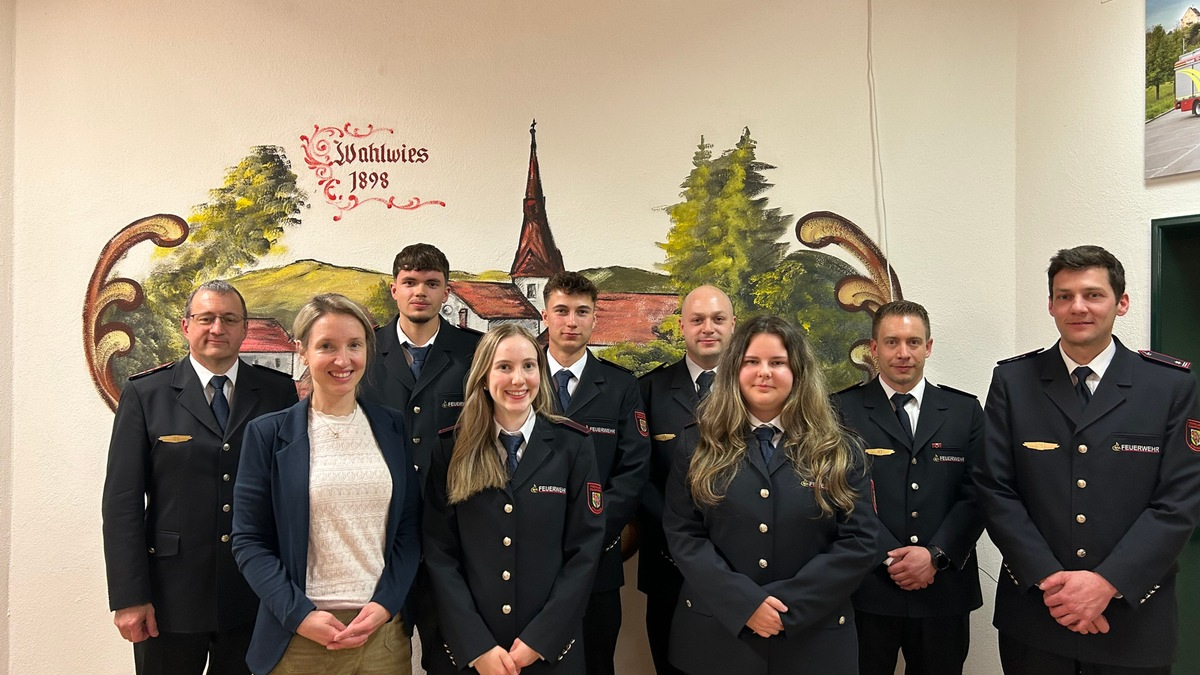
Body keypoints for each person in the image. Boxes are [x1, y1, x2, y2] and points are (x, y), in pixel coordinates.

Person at [975, 245, 1200, 675]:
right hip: (1037, 613)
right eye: (1065, 296)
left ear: (1122, 302)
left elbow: (1178, 502)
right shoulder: (1013, 381)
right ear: (1051, 305)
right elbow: (994, 488)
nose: (1078, 307)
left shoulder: (1168, 386)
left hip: (1134, 617)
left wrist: (1107, 583)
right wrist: (1050, 581)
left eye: (1093, 295)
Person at [664, 315, 881, 675]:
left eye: (777, 363)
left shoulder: (839, 448)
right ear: (734, 370)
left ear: (798, 372)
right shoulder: (696, 444)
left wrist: (789, 606)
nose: (764, 372)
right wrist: (744, 604)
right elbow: (684, 535)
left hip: (813, 642)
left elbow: (859, 542)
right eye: (752, 362)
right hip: (716, 641)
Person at [102, 280, 298, 675]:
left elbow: (290, 494)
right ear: (186, 326)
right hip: (168, 597)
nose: (217, 328)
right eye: (206, 318)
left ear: (244, 328)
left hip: (254, 595)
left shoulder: (278, 393)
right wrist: (128, 597)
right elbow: (122, 504)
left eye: (229, 319)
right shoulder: (147, 394)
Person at [232, 294, 421, 675]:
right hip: (300, 638)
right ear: (302, 352)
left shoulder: (391, 426)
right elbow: (248, 541)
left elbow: (408, 529)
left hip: (381, 637)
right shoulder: (268, 434)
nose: (343, 360)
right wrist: (298, 614)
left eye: (354, 345)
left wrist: (385, 603)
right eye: (327, 347)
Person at [422, 324, 606, 675]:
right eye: (504, 367)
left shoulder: (573, 446)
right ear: (484, 375)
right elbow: (439, 552)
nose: (518, 379)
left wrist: (542, 638)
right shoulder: (450, 448)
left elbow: (585, 551)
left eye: (528, 366)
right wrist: (477, 646)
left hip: (550, 652)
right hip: (471, 653)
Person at [833, 300, 984, 675]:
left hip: (944, 587)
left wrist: (934, 555)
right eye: (892, 342)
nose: (903, 353)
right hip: (867, 588)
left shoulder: (964, 411)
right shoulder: (840, 411)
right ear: (874, 347)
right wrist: (889, 555)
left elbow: (980, 493)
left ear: (928, 347)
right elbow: (837, 494)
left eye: (914, 342)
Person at [541, 271, 651, 675]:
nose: (571, 321)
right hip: (528, 554)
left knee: (596, 659)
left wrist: (594, 528)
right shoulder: (517, 379)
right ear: (545, 314)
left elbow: (633, 469)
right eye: (562, 311)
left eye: (581, 312)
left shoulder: (620, 386)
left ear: (594, 318)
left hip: (596, 558)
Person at [636, 284, 735, 675]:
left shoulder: (757, 389)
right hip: (668, 564)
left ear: (733, 325)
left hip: (741, 568)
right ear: (682, 326)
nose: (707, 328)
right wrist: (681, 538)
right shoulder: (648, 389)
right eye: (697, 320)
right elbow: (638, 476)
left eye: (717, 319)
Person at [361, 242, 481, 492]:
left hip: (452, 498)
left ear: (446, 292)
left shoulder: (476, 351)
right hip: (382, 496)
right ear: (394, 290)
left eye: (432, 283)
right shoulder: (364, 350)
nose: (420, 292)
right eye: (410, 282)